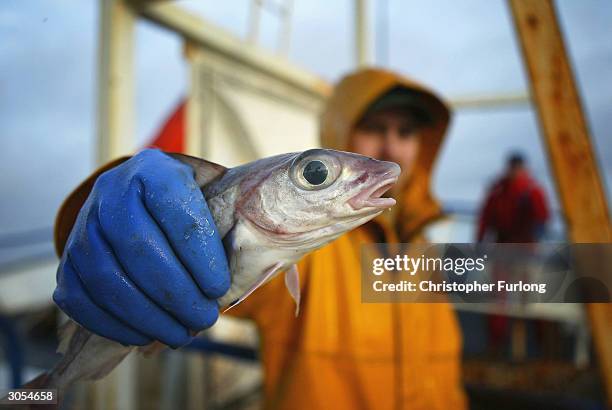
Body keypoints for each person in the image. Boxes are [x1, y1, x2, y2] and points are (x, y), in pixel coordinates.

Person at [53, 68, 466, 409]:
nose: (391, 146)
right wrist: (106, 222)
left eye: (406, 132)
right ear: (341, 131)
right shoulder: (310, 250)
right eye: (374, 128)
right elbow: (169, 254)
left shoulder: (424, 250)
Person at [477, 152, 550, 243]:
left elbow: (542, 217)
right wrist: (480, 239)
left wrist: (537, 238)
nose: (514, 172)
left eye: (517, 168)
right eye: (512, 168)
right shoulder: (498, 190)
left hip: (525, 245)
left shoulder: (532, 191)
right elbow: (485, 216)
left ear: (523, 169)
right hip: (502, 243)